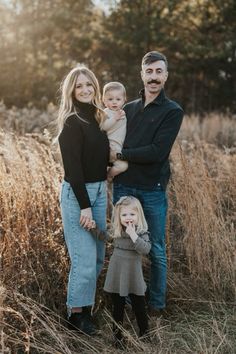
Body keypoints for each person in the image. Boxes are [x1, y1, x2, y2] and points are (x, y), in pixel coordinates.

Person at [112, 51, 184, 313]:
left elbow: (157, 152)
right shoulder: (127, 109)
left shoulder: (172, 111)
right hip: (123, 187)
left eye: (158, 72)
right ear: (142, 74)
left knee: (155, 249)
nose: (153, 77)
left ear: (165, 75)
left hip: (152, 189)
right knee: (125, 246)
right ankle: (129, 302)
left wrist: (121, 156)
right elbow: (114, 138)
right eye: (149, 71)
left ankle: (156, 305)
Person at [57, 64, 109, 335]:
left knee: (98, 257)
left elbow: (101, 156)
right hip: (78, 195)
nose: (86, 89)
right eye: (79, 86)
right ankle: (75, 318)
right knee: (84, 259)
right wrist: (85, 207)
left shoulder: (101, 119)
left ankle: (86, 310)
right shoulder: (71, 122)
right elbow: (73, 171)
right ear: (72, 91)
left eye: (89, 84)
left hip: (101, 191)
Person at [101, 196, 151, 346]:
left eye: (132, 214)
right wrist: (92, 227)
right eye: (124, 215)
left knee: (139, 306)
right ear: (119, 217)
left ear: (138, 216)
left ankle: (145, 335)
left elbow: (146, 249)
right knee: (117, 307)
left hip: (133, 274)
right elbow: (102, 236)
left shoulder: (141, 232)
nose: (128, 218)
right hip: (117, 273)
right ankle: (117, 338)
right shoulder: (116, 231)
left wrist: (133, 235)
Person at [101, 82, 128, 180]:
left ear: (124, 100)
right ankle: (108, 175)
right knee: (123, 165)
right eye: (110, 99)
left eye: (118, 99)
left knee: (123, 166)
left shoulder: (123, 113)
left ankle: (109, 173)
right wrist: (114, 119)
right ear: (104, 100)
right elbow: (103, 127)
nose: (114, 102)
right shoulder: (105, 113)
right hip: (111, 147)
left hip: (120, 148)